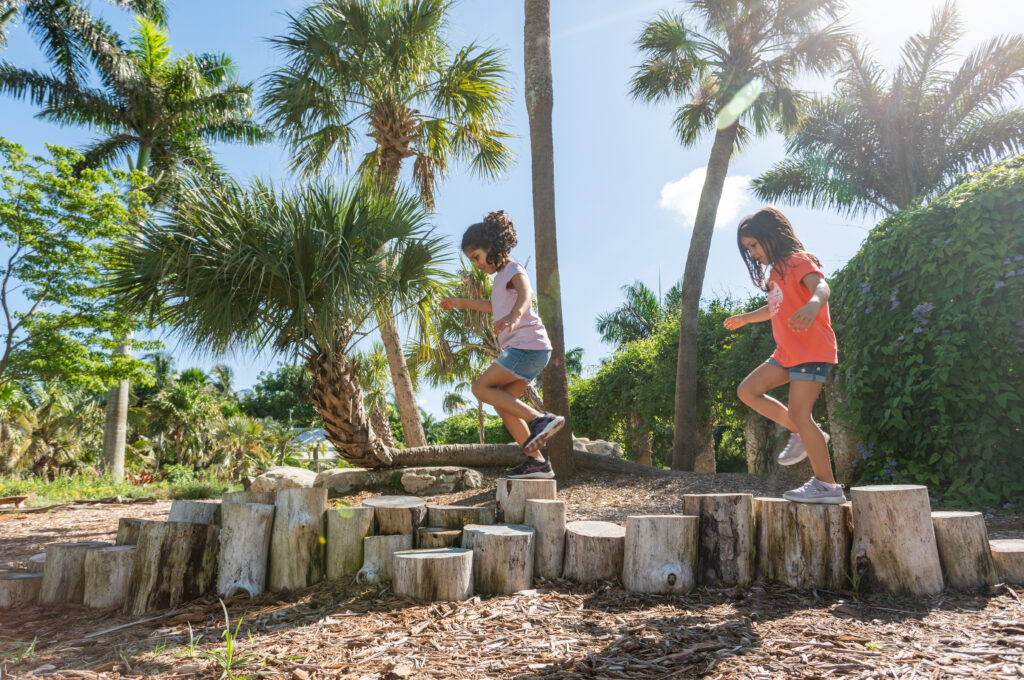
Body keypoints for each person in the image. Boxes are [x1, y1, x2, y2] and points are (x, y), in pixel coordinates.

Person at [723, 207, 844, 504]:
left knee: (803, 415)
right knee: (748, 391)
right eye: (747, 249)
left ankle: (828, 487)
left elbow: (821, 286)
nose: (752, 253)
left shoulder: (797, 261)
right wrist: (747, 318)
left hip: (812, 349)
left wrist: (814, 305)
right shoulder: (777, 273)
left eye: (754, 245)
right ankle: (804, 432)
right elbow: (775, 306)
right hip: (787, 353)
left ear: (771, 236)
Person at [441, 210, 565, 479]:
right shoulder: (498, 279)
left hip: (527, 346)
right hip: (529, 350)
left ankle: (539, 419)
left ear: (492, 247)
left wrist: (516, 315)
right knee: (503, 403)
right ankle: (538, 463)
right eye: (471, 260)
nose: (476, 264)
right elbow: (492, 306)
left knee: (481, 387)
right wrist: (460, 303)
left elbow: (526, 292)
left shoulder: (512, 268)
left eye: (476, 257)